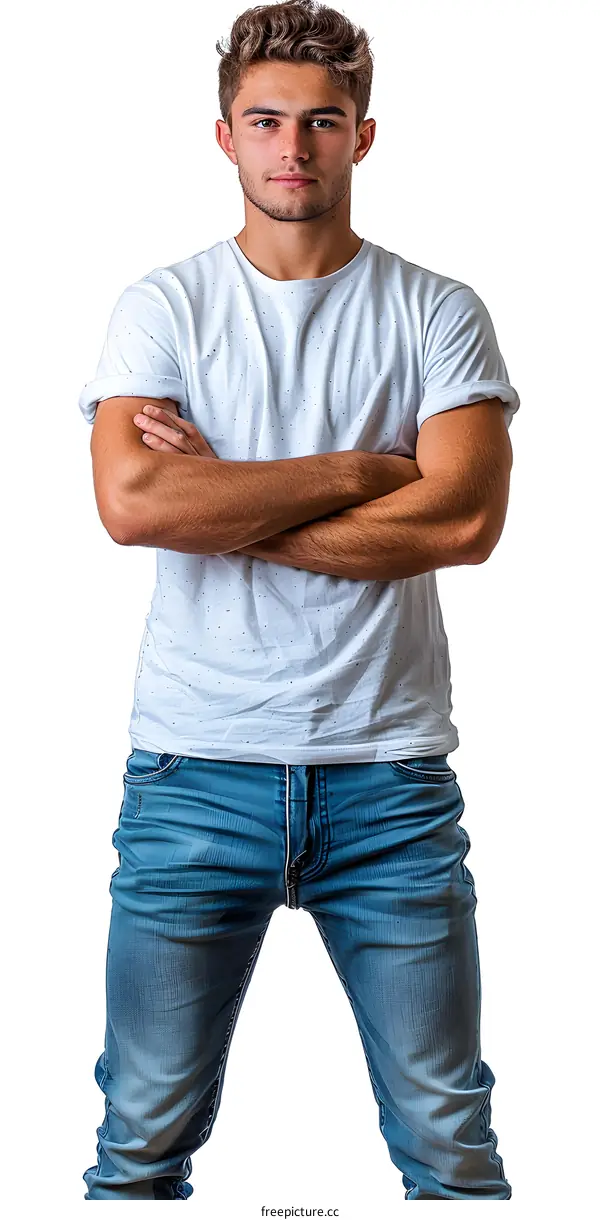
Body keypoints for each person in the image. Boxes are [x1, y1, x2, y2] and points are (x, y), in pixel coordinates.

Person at [79, 0, 519, 1201]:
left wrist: (221, 493)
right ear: (223, 135)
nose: (294, 147)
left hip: (390, 781)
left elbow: (465, 523)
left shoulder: (436, 309)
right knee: (140, 1134)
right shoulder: (162, 307)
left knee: (448, 1135)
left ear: (362, 137)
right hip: (191, 774)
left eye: (321, 122)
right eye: (266, 121)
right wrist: (367, 472)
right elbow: (131, 505)